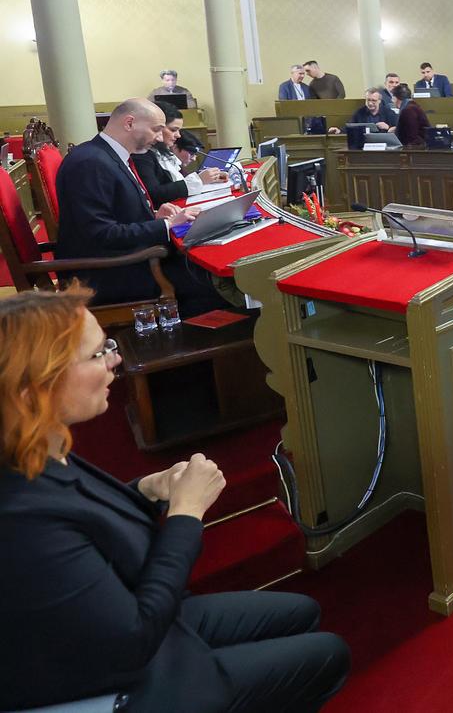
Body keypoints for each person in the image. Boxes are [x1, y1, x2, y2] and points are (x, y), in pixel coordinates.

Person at [0, 288, 350, 713]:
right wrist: (187, 514)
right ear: (31, 391)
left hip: (135, 630)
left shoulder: (35, 442)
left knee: (303, 611)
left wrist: (145, 490)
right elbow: (134, 639)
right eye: (96, 355)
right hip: (123, 684)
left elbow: (79, 518)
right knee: (331, 654)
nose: (115, 360)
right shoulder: (20, 521)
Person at [53, 99, 225, 313]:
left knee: (205, 262)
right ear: (129, 123)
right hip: (108, 272)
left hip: (126, 258)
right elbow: (100, 233)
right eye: (156, 129)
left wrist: (153, 215)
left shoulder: (107, 155)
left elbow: (116, 213)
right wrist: (167, 224)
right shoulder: (91, 163)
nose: (160, 137)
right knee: (212, 281)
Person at [132, 102, 227, 206]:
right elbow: (154, 195)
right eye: (173, 130)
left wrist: (208, 179)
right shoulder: (141, 156)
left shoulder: (163, 152)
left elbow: (179, 181)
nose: (178, 135)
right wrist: (198, 180)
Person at [332, 88, 398, 137]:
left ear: (379, 101)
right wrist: (339, 131)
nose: (370, 103)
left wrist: (388, 128)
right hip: (365, 143)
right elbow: (351, 126)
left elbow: (398, 128)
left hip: (384, 143)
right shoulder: (360, 112)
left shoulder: (388, 112)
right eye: (368, 100)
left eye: (373, 100)